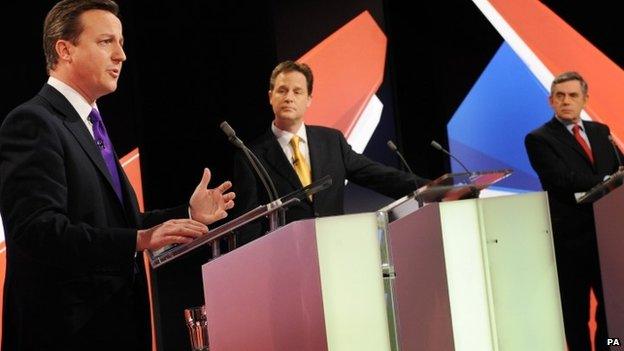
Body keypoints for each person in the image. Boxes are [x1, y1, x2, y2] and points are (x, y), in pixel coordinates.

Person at [0, 1, 235, 349]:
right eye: (106, 41)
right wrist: (139, 239)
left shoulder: (90, 124)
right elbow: (37, 231)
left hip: (117, 326)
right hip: (65, 333)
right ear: (65, 49)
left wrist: (186, 216)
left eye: (121, 42)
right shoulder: (34, 122)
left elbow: (116, 224)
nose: (121, 55)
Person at [232, 60, 428, 245]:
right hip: (287, 258)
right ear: (270, 96)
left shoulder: (331, 141)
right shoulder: (251, 156)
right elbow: (249, 224)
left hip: (335, 249)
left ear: (309, 99)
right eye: (282, 90)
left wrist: (429, 188)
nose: (289, 97)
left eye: (297, 91)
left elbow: (377, 175)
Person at [525, 71, 621, 351]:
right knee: (575, 312)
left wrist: (614, 179)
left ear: (585, 99)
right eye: (560, 96)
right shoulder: (539, 138)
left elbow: (619, 169)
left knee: (613, 309)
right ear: (551, 101)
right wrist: (606, 181)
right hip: (570, 240)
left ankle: (611, 347)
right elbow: (561, 180)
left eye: (573, 95)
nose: (566, 101)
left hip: (609, 237)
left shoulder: (601, 132)